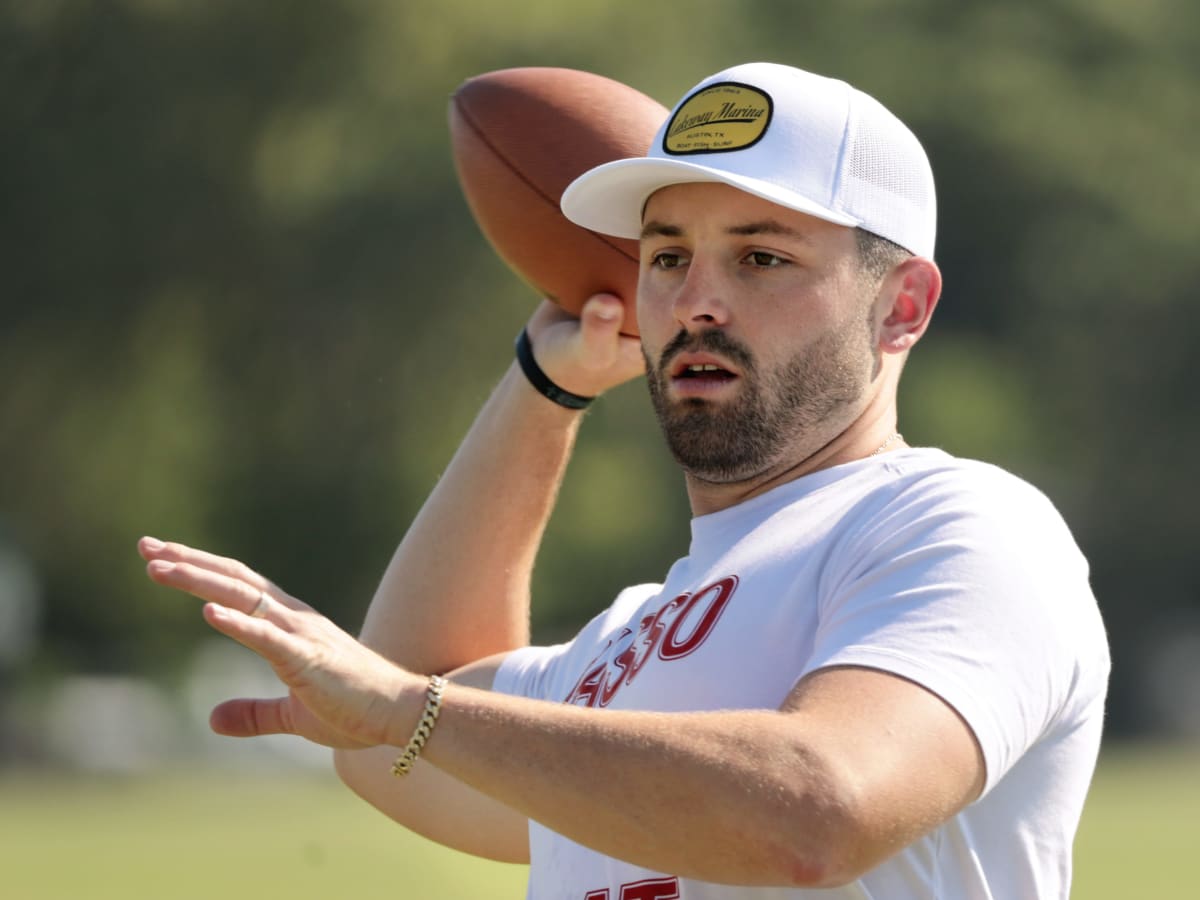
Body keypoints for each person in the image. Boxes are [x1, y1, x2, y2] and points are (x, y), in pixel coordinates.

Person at [139, 62, 1110, 898]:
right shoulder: (628, 644)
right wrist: (542, 383)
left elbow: (820, 810)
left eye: (761, 257)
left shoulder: (962, 525)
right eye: (667, 255)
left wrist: (406, 711)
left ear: (902, 306)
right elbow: (393, 744)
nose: (695, 302)